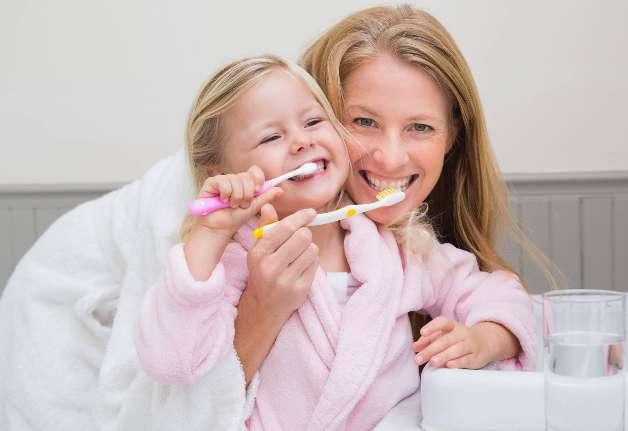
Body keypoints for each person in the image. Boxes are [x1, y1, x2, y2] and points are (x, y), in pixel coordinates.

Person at [134, 53, 535, 430]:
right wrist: (210, 233)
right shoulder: (233, 259)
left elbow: (499, 293)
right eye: (271, 136)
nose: (301, 142)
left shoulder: (398, 249)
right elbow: (173, 361)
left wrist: (483, 339)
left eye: (313, 122)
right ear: (222, 169)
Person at [235, 4, 557, 386]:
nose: (389, 158)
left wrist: (485, 340)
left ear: (453, 136)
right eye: (364, 121)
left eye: (420, 127)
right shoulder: (233, 225)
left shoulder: (408, 252)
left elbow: (501, 298)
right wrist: (262, 308)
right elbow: (178, 387)